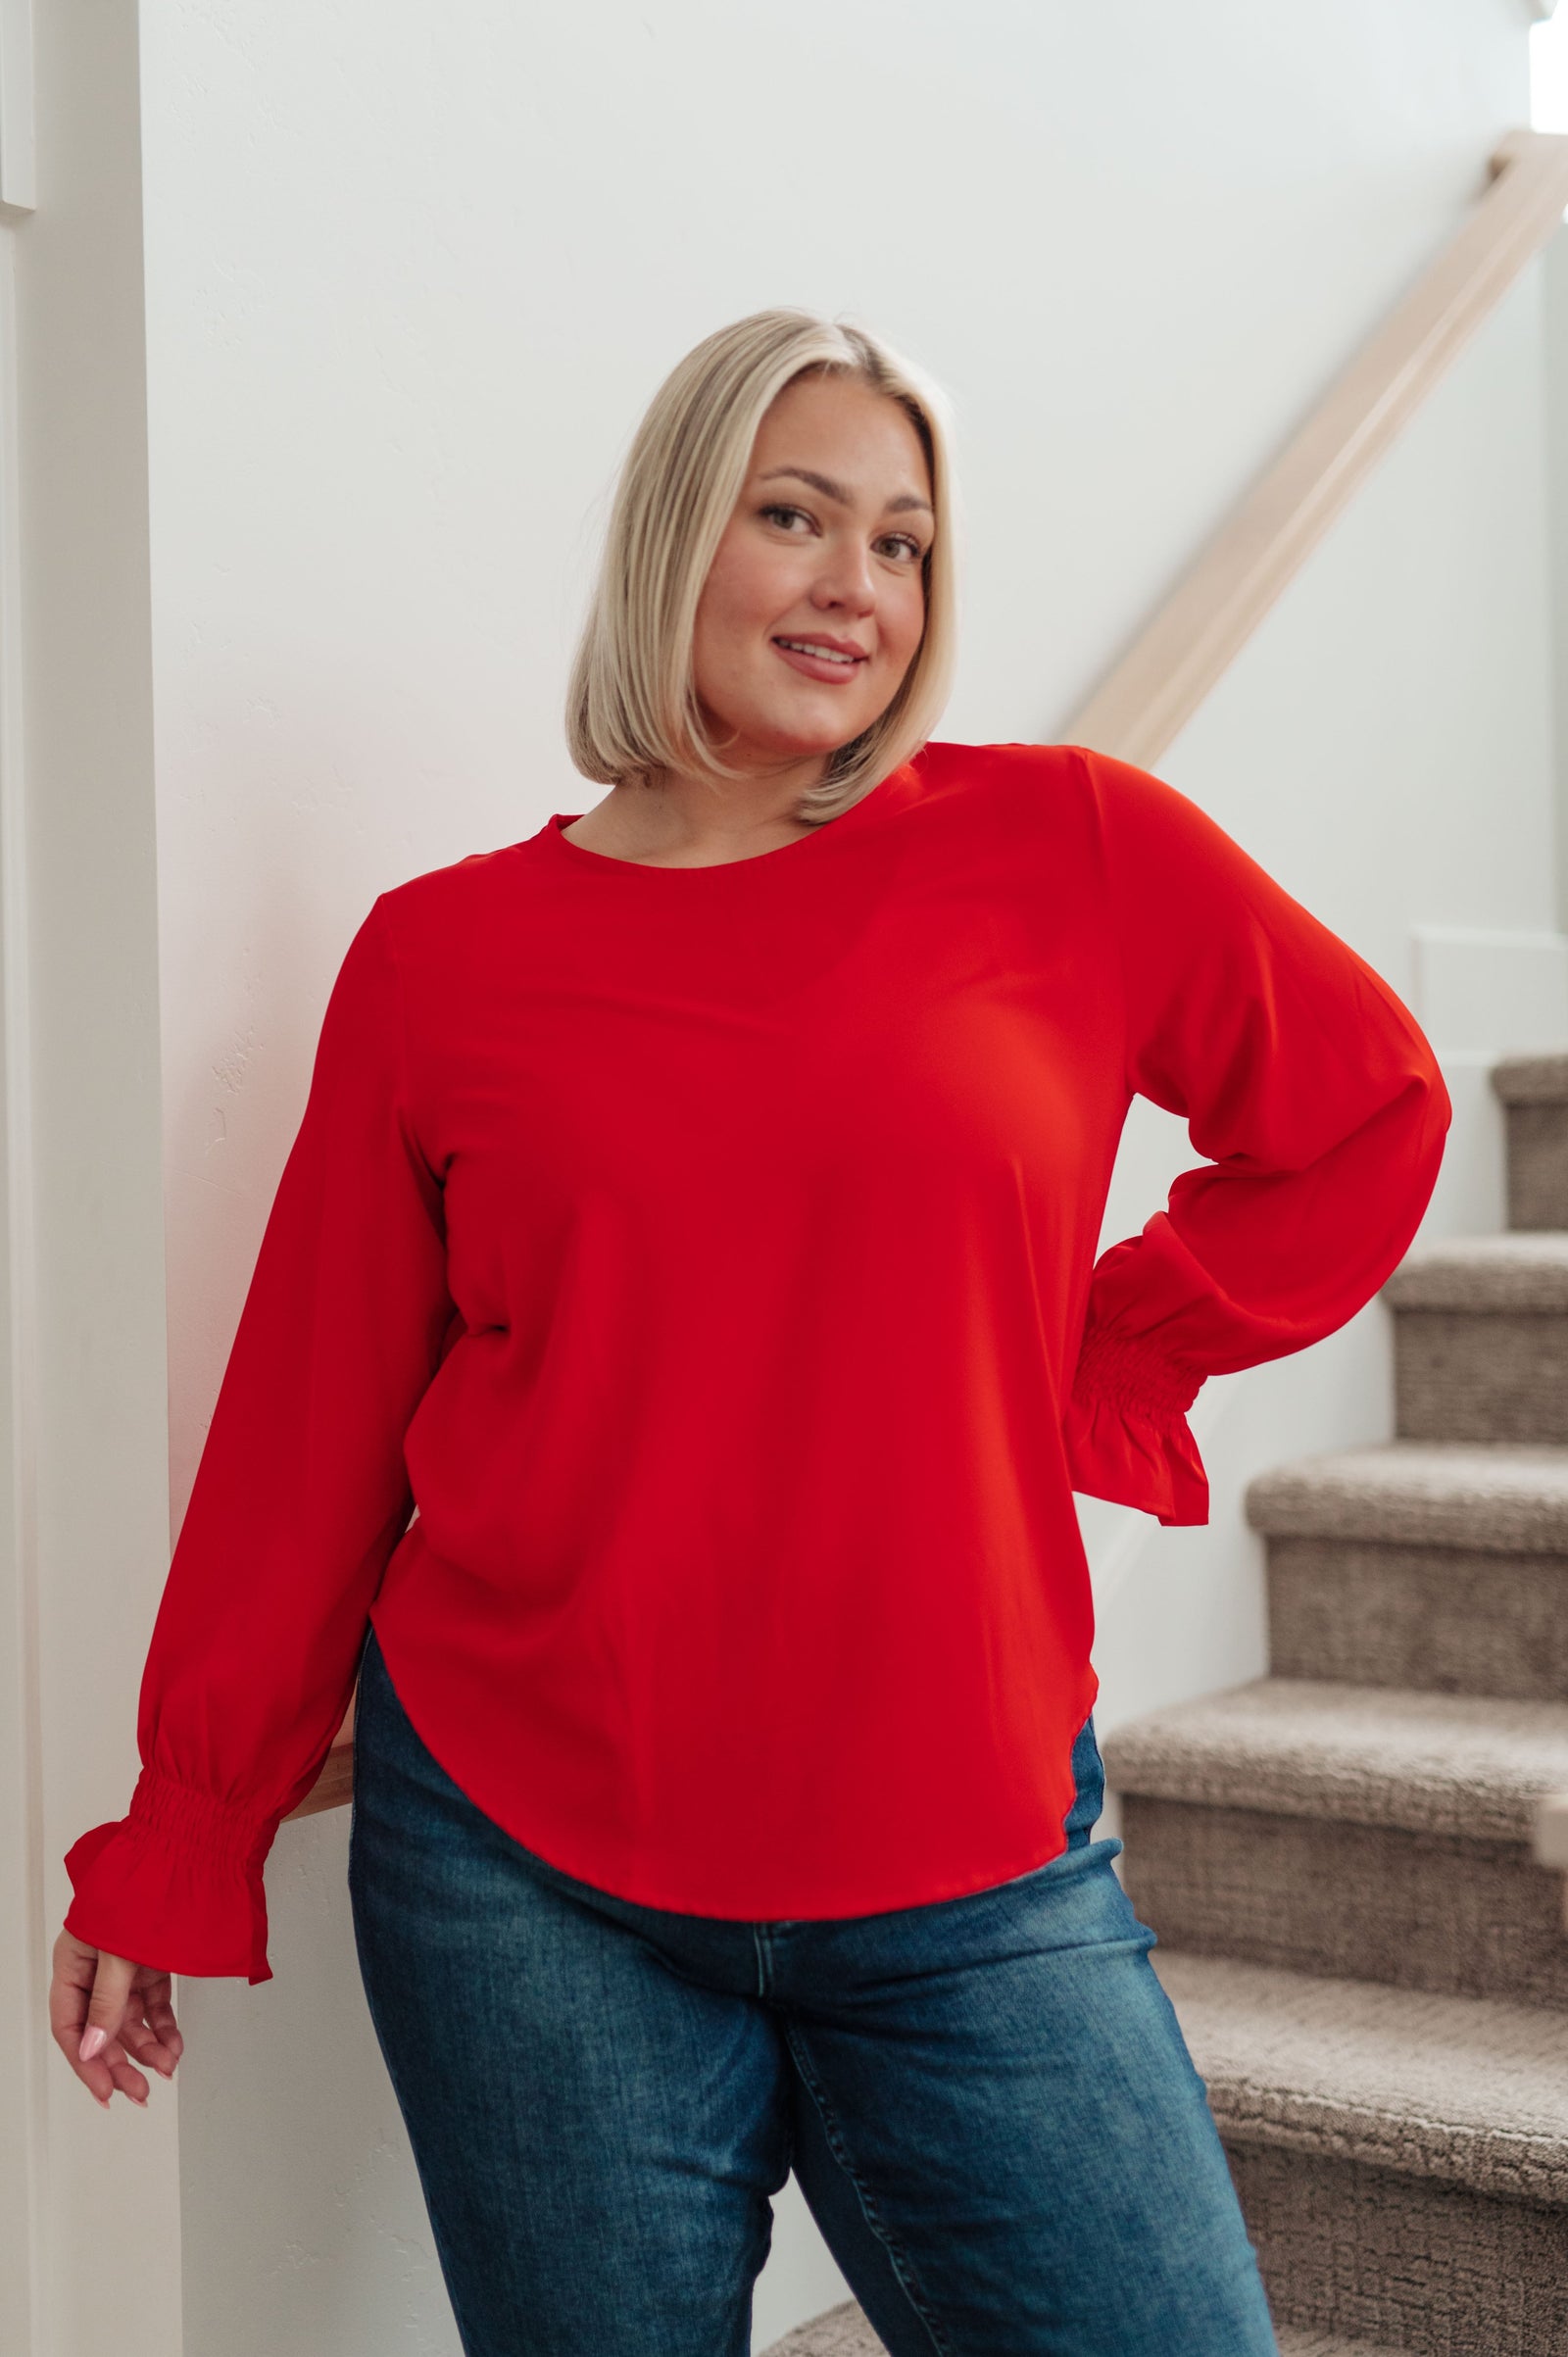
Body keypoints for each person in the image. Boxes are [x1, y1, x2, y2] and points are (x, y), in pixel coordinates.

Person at [51, 308, 1450, 2355]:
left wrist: (1117, 1350)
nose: (855, 587)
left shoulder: (1062, 843)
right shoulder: (444, 958)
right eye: (795, 518)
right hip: (525, 1879)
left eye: (901, 543)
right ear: (672, 541)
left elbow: (1363, 1112)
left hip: (969, 1860)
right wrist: (183, 1825)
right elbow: (314, 1421)